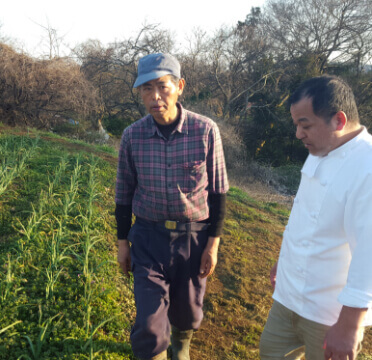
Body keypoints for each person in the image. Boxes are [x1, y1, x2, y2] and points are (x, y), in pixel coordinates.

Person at [115, 53, 229, 360]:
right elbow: (123, 194)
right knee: (150, 327)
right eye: (146, 89)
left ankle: (182, 343)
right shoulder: (132, 136)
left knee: (188, 313)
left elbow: (218, 193)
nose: (155, 97)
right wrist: (122, 242)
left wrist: (213, 244)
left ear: (179, 86)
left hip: (193, 239)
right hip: (148, 238)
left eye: (162, 87)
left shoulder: (205, 131)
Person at [259, 75, 372, 360]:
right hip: (288, 296)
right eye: (296, 124)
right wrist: (284, 259)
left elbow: (368, 255)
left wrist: (349, 325)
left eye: (304, 125)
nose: (298, 134)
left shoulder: (366, 166)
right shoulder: (320, 148)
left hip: (330, 313)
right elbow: (305, 214)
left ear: (339, 120)